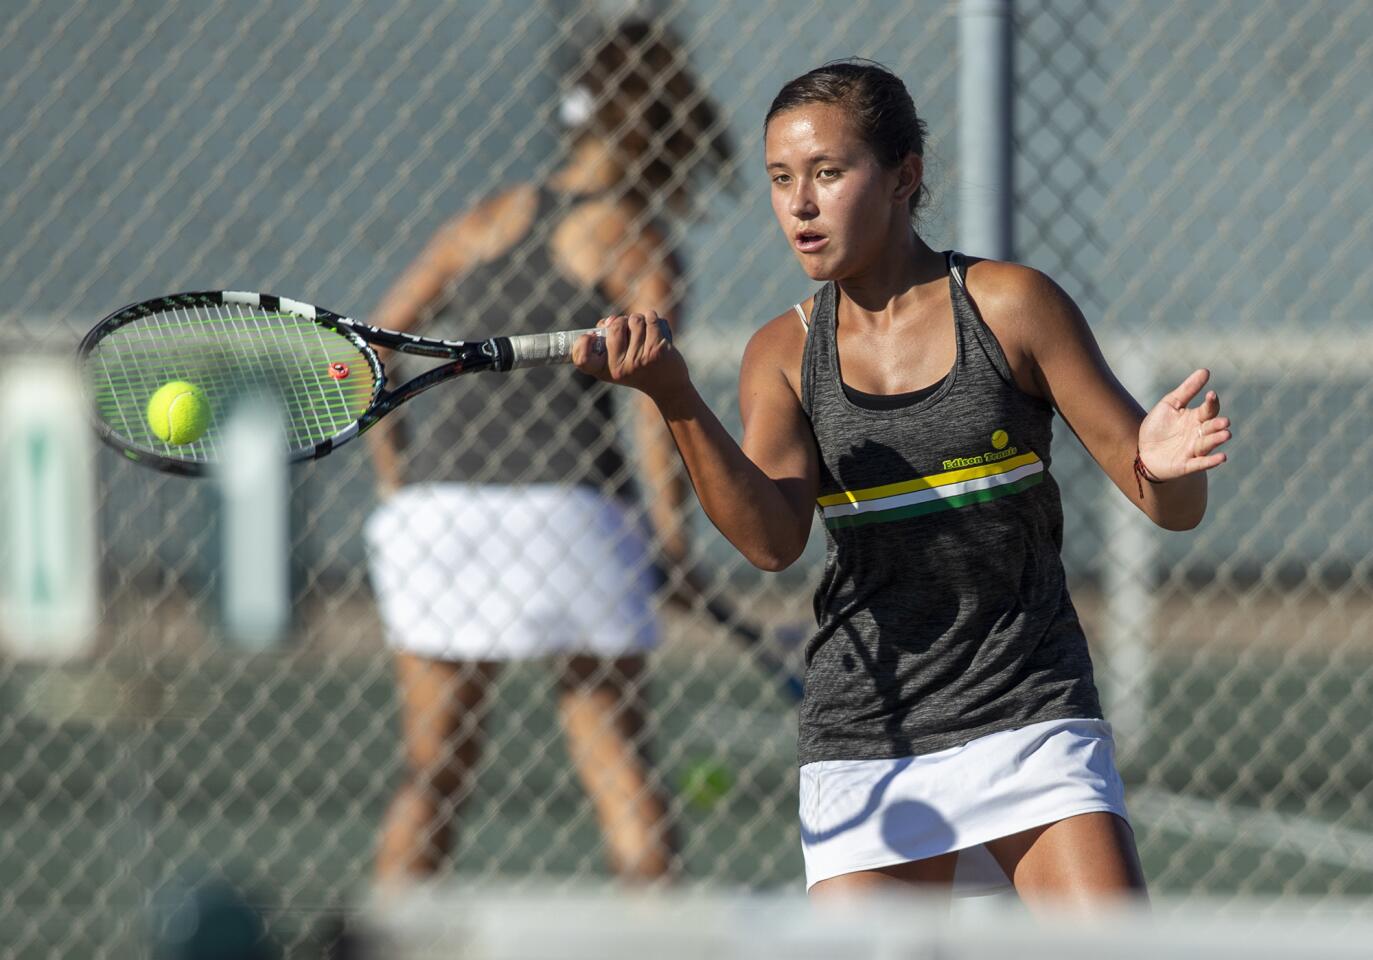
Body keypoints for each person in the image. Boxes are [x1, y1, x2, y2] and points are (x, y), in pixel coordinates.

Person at [573, 60, 1232, 905]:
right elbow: (772, 542)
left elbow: (1163, 503)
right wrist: (672, 399)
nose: (799, 204)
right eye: (779, 180)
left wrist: (1171, 469)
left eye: (827, 173)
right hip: (866, 733)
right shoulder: (780, 354)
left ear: (903, 178)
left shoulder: (1011, 306)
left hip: (1028, 709)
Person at [364, 20, 731, 885]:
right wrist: (671, 547)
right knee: (614, 759)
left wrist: (396, 485)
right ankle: (657, 944)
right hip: (571, 515)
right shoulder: (637, 242)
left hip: (443, 515)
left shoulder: (482, 219)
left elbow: (373, 349)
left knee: (432, 771)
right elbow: (653, 407)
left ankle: (382, 939)